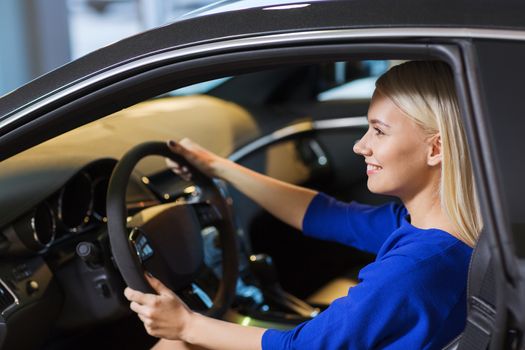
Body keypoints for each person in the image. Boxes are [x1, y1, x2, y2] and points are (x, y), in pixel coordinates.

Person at [124, 60, 482, 349]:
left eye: (379, 131)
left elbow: (300, 347)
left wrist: (187, 324)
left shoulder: (414, 268)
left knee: (178, 345)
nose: (361, 146)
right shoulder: (435, 229)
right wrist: (218, 167)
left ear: (436, 149)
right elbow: (326, 215)